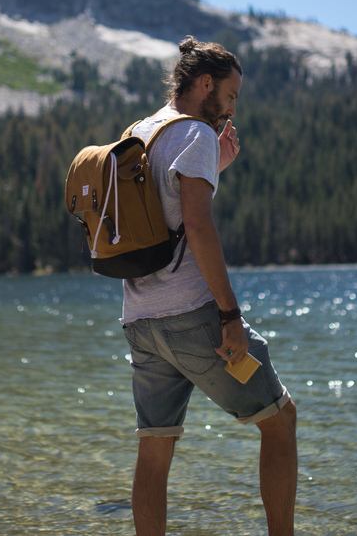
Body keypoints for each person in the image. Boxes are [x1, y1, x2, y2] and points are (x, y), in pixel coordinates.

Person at [122, 36, 298, 535]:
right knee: (280, 420)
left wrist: (213, 167)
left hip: (140, 320)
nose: (232, 107)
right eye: (231, 95)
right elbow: (197, 227)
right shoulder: (196, 134)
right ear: (205, 84)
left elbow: (162, 211)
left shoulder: (140, 131)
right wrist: (229, 315)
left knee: (155, 446)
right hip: (194, 317)